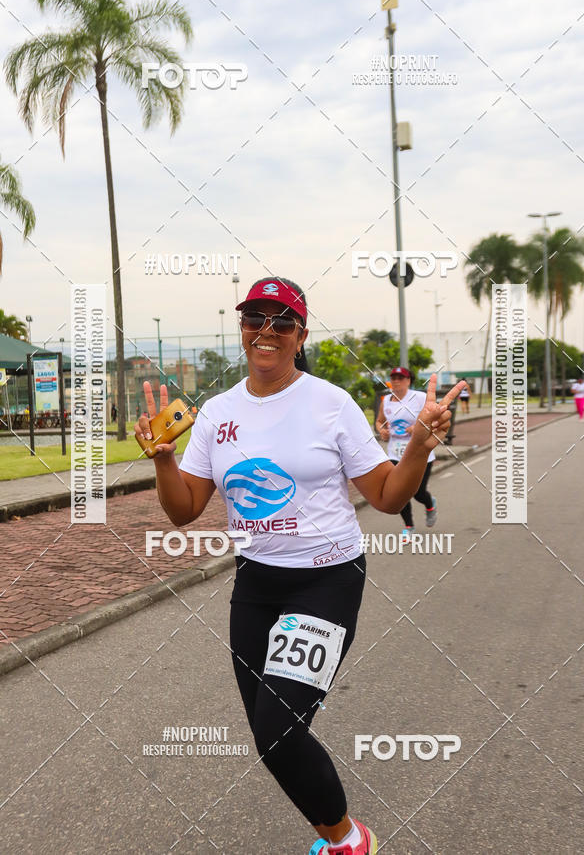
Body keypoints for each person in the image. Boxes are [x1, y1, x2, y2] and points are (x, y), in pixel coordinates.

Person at [134, 277, 465, 855]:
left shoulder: (329, 404)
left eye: (281, 321)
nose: (266, 331)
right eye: (254, 318)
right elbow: (184, 509)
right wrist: (163, 461)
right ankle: (337, 836)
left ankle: (348, 843)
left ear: (300, 334)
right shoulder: (216, 413)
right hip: (256, 584)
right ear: (241, 330)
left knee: (277, 729)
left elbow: (386, 497)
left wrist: (416, 448)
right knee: (274, 736)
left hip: (326, 580)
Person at [375, 367, 438, 540]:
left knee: (418, 492)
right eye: (393, 377)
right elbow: (380, 420)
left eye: (400, 378)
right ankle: (409, 527)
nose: (396, 381)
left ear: (408, 380)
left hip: (420, 452)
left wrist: (418, 428)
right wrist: (382, 431)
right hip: (395, 453)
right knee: (399, 492)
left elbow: (434, 419)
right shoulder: (386, 400)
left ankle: (430, 504)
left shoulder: (419, 398)